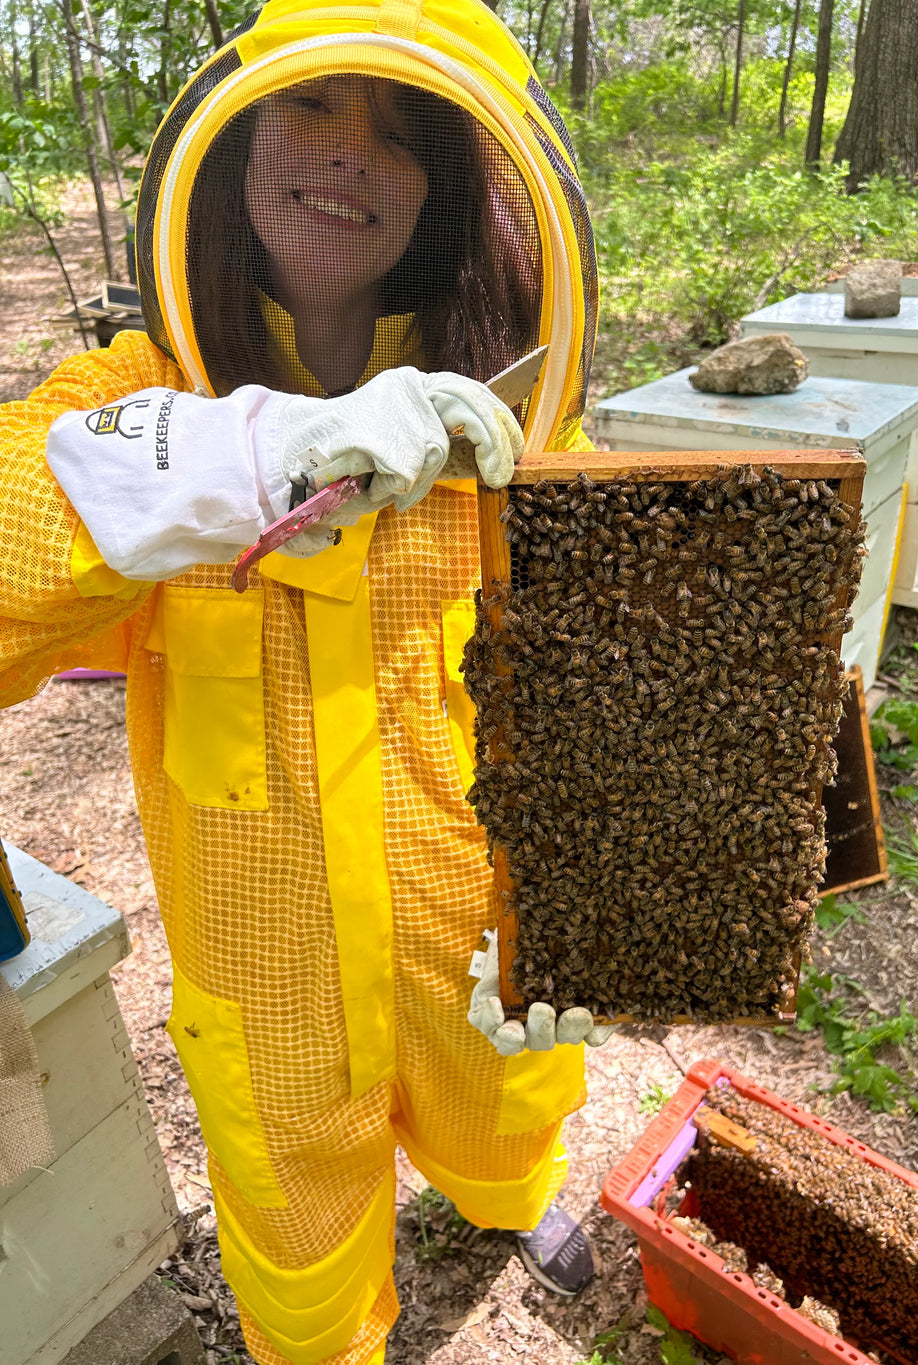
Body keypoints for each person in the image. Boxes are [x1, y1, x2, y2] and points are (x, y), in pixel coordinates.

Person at [0, 2, 605, 1362]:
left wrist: (592, 909)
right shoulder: (144, 399)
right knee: (303, 1271)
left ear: (445, 196)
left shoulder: (494, 423)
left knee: (506, 1114)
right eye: (314, 108)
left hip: (473, 949)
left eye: (398, 137)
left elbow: (582, 704)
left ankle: (510, 1199)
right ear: (234, 144)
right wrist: (240, 462)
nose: (348, 155)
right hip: (272, 999)